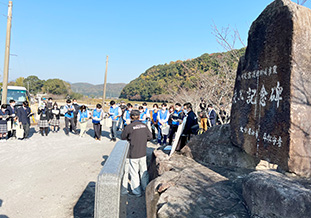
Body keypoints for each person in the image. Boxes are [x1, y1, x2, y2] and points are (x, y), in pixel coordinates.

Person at [121, 110, 152, 197]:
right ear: (139, 116)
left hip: (133, 153)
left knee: (134, 173)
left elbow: (123, 137)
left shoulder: (129, 127)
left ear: (130, 117)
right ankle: (145, 189)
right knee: (143, 172)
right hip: (143, 152)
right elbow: (150, 136)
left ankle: (136, 191)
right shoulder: (144, 126)